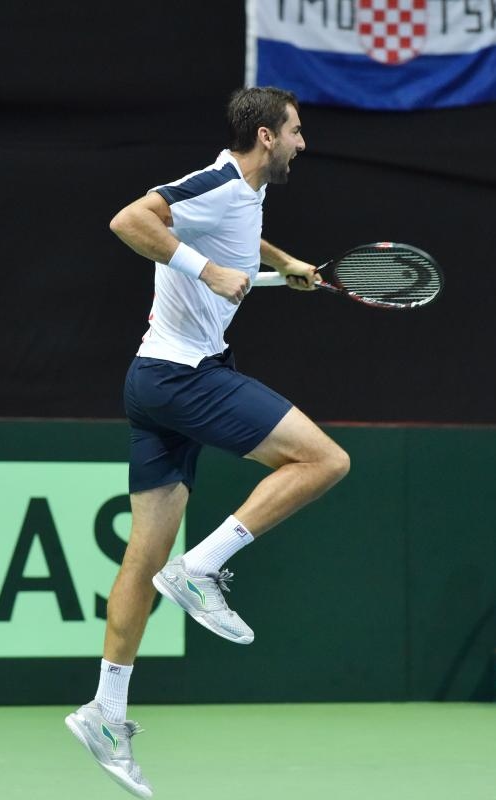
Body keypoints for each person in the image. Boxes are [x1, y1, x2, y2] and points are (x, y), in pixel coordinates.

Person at [65, 86, 350, 798]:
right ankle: (204, 569)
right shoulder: (219, 181)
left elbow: (236, 234)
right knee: (324, 459)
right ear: (263, 137)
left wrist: (280, 261)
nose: (301, 143)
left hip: (152, 380)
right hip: (182, 376)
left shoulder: (242, 193)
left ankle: (105, 711)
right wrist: (206, 270)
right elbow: (129, 219)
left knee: (143, 555)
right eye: (295, 131)